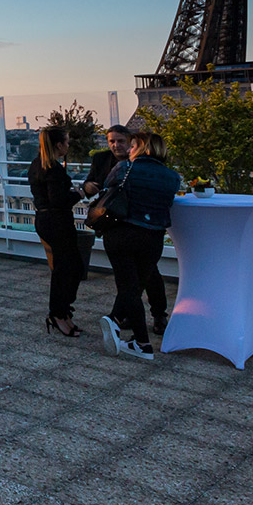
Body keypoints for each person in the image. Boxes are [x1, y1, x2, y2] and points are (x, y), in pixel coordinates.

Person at [97, 130, 183, 360]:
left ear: (142, 148)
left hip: (122, 233)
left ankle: (142, 343)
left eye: (132, 146)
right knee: (134, 287)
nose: (129, 150)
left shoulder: (126, 168)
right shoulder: (173, 177)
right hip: (153, 237)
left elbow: (107, 185)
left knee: (128, 288)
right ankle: (115, 321)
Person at [29, 126, 86, 339]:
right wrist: (81, 192)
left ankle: (62, 311)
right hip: (57, 221)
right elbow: (59, 201)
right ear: (59, 145)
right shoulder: (52, 169)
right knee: (67, 269)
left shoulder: (38, 164)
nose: (69, 146)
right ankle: (58, 314)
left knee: (67, 268)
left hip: (46, 220)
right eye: (67, 142)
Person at [83, 124, 132, 198]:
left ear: (130, 142)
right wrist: (88, 186)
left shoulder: (138, 160)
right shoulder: (100, 158)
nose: (116, 145)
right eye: (112, 141)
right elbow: (89, 180)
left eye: (121, 141)